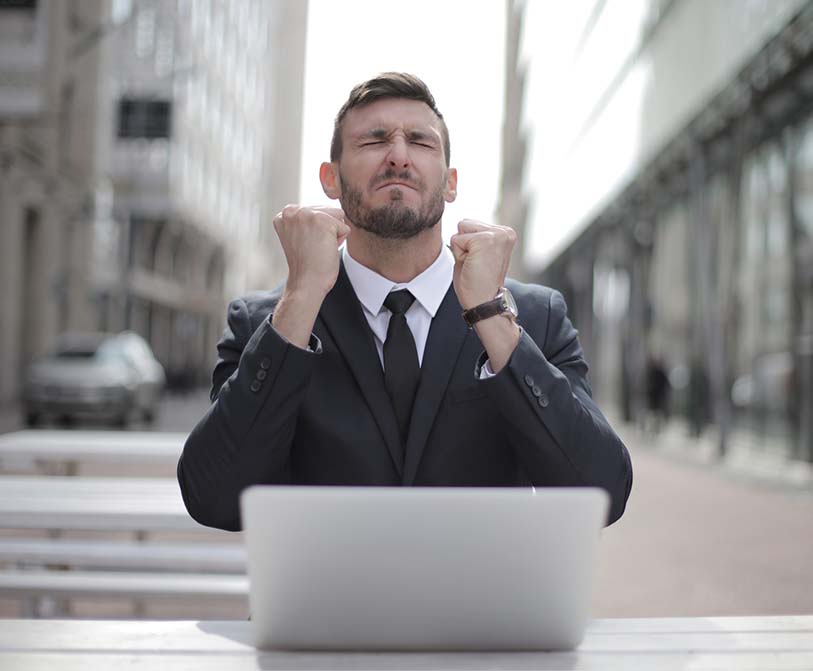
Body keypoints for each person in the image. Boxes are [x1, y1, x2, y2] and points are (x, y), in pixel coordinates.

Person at [177, 73, 632, 531]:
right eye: (374, 141)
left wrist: (490, 315)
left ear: (450, 183)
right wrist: (302, 297)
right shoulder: (267, 322)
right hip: (320, 604)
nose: (398, 156)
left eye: (420, 142)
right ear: (329, 179)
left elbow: (601, 495)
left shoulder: (533, 317)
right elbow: (213, 498)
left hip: (482, 604)